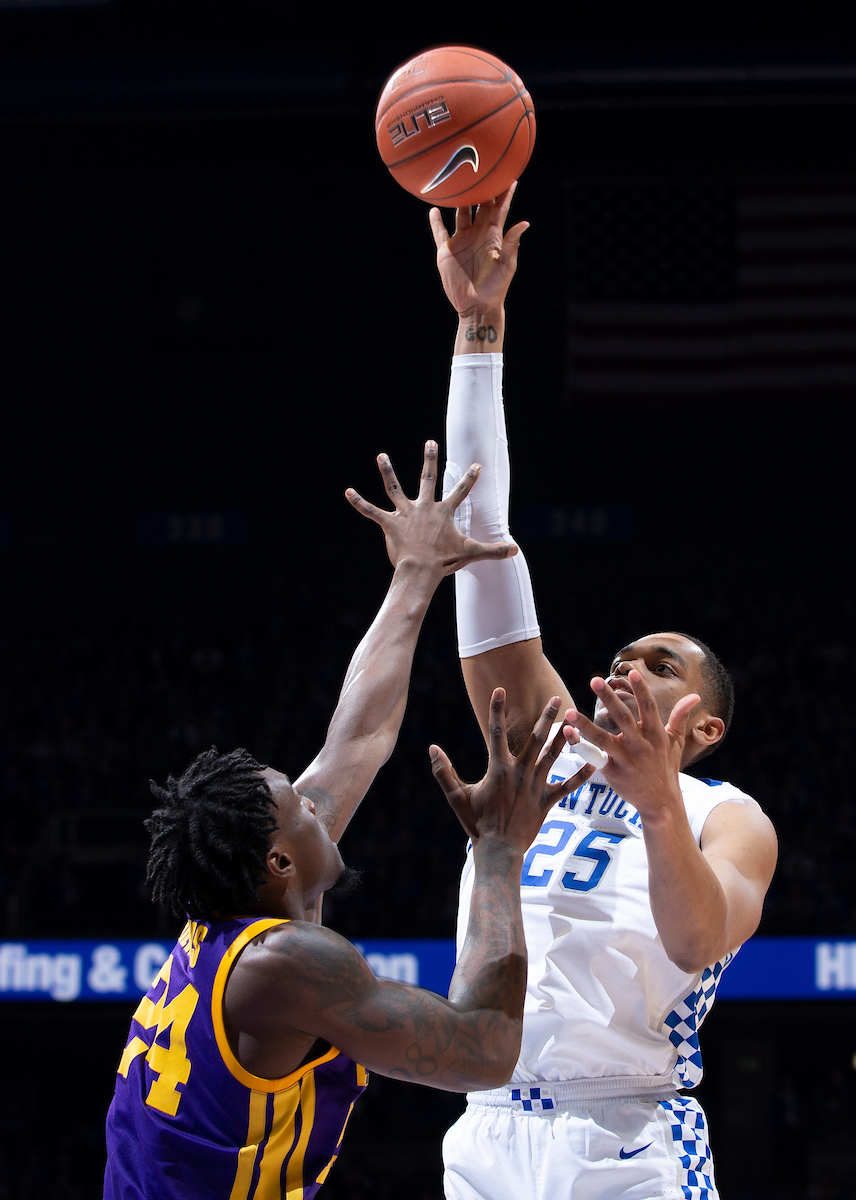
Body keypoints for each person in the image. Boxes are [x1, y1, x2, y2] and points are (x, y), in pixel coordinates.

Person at [102, 442, 594, 1200]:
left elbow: (356, 737)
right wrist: (499, 850)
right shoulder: (285, 963)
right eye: (299, 805)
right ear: (279, 864)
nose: (315, 799)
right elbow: (486, 1051)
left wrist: (416, 572)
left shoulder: (240, 912)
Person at [429, 188, 778, 1200]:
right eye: (623, 655)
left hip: (623, 1137)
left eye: (661, 665)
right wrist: (478, 332)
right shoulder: (551, 748)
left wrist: (657, 802)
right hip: (487, 1128)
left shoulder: (727, 815)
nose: (629, 667)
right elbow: (482, 543)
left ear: (703, 727)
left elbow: (698, 939)